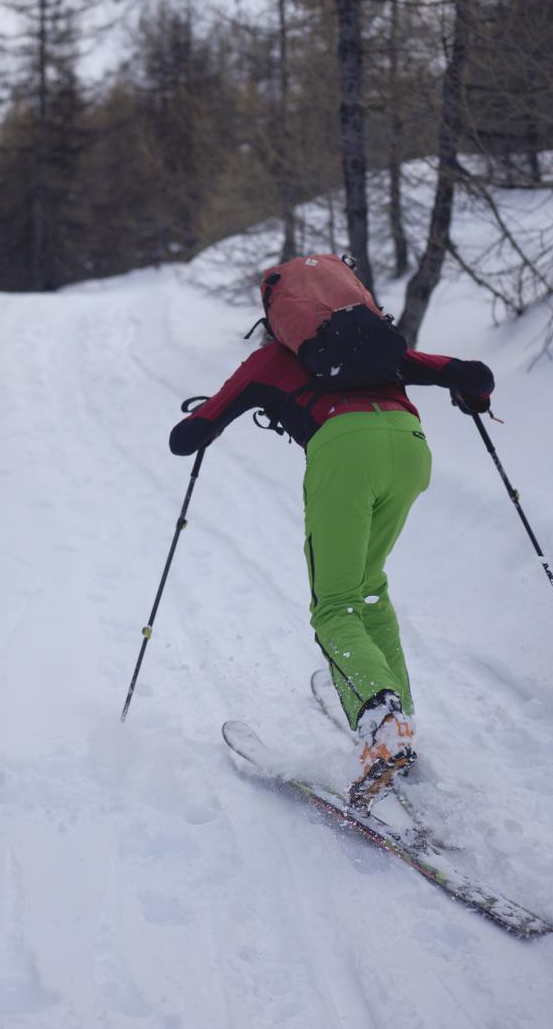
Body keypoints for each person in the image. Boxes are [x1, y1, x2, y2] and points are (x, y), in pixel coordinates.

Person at [169, 257, 494, 807]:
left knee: (334, 604)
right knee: (370, 587)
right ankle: (398, 722)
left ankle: (382, 721)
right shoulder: (380, 349)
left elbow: (186, 438)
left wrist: (207, 417)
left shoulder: (271, 359)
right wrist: (473, 398)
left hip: (345, 452)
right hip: (410, 449)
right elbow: (472, 374)